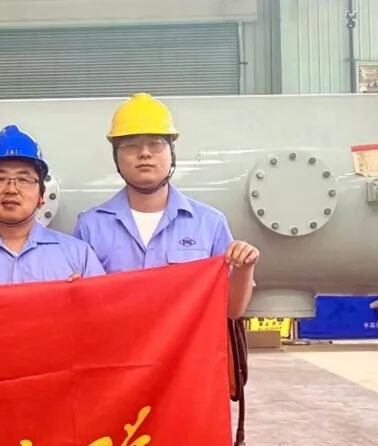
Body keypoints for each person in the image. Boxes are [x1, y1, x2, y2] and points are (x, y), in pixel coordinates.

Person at [73, 93, 259, 318]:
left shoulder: (209, 224)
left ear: (172, 153)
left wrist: (244, 268)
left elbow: (231, 311)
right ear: (116, 157)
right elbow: (81, 310)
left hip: (186, 343)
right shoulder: (91, 226)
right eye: (130, 146)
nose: (144, 154)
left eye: (156, 144)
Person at [0, 126, 104, 290]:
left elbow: (106, 306)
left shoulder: (79, 256)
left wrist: (84, 299)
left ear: (41, 195)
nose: (11, 189)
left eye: (24, 180)